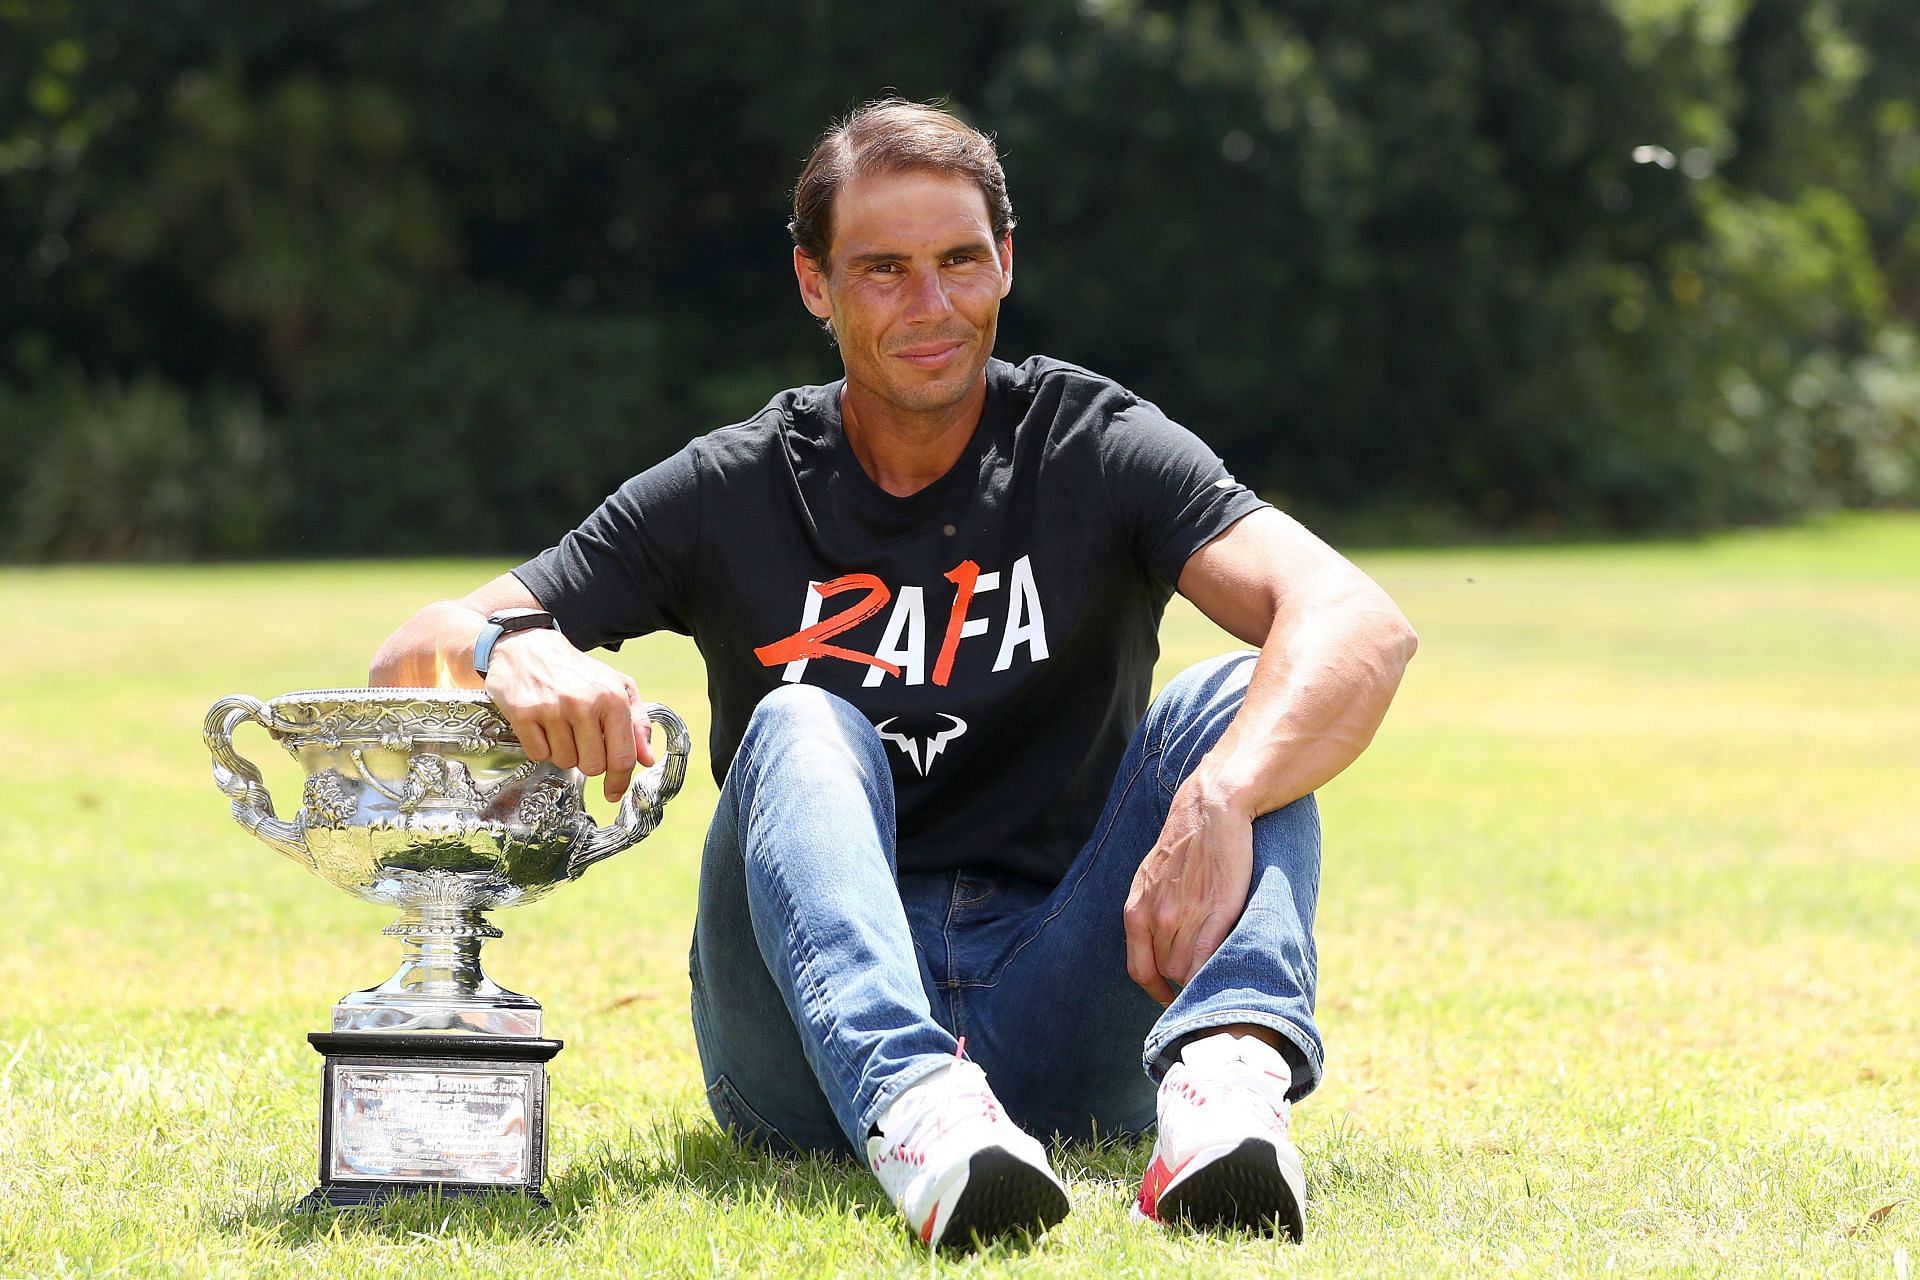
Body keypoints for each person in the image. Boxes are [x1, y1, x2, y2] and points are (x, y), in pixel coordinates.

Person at [371, 98, 1416, 1249]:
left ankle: (1225, 1096)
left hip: (1076, 994)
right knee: (803, 720)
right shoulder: (736, 485)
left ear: (1006, 262)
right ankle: (918, 1109)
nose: (932, 306)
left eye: (961, 260)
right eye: (882, 270)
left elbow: (1356, 619)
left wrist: (1220, 792)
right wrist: (505, 645)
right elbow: (411, 648)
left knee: (1237, 702)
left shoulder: (1089, 441)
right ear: (814, 284)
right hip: (807, 1048)